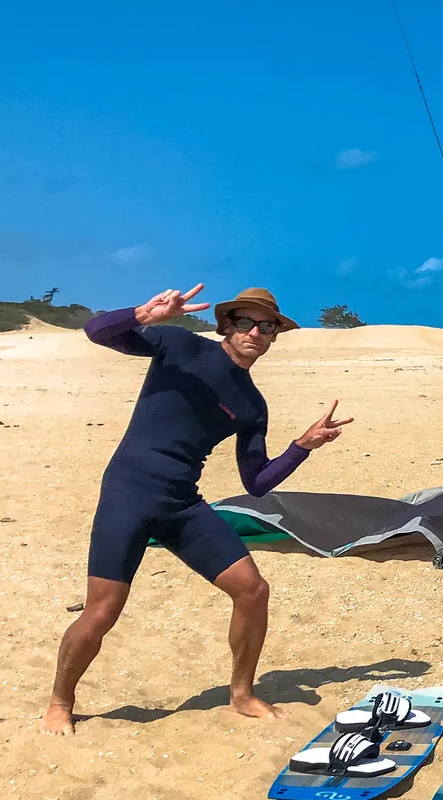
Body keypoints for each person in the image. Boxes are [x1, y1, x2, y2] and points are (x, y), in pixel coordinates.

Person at [41, 285, 351, 735]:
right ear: (227, 325)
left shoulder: (251, 404)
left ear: (274, 337)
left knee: (252, 590)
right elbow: (96, 331)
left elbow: (257, 483)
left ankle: (242, 694)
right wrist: (142, 314)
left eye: (267, 327)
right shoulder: (181, 344)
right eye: (246, 322)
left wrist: (301, 447)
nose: (256, 332)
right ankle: (59, 701)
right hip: (128, 493)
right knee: (103, 610)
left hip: (181, 503)